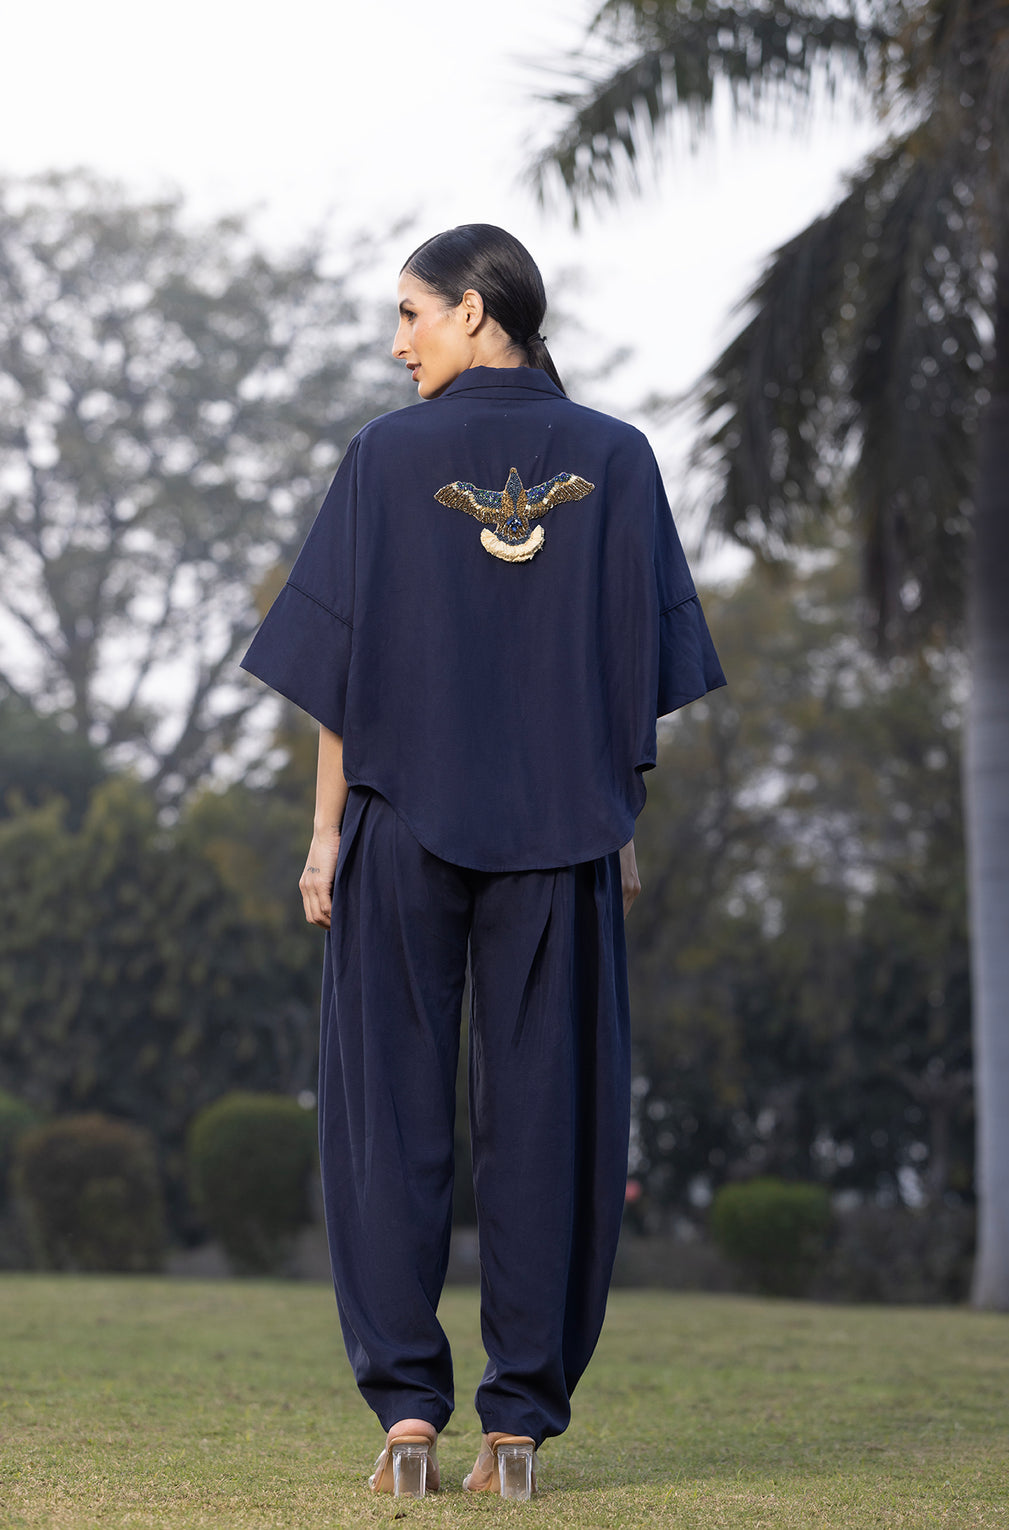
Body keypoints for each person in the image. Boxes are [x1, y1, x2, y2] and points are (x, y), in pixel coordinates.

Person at [240, 224, 724, 1499]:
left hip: (402, 823)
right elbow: (631, 671)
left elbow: (340, 670)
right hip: (567, 835)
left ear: (474, 310)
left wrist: (326, 832)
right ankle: (517, 1427)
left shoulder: (388, 457)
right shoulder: (617, 459)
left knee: (385, 1118)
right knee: (549, 1122)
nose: (397, 342)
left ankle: (407, 1416)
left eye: (410, 313)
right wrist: (619, 824)